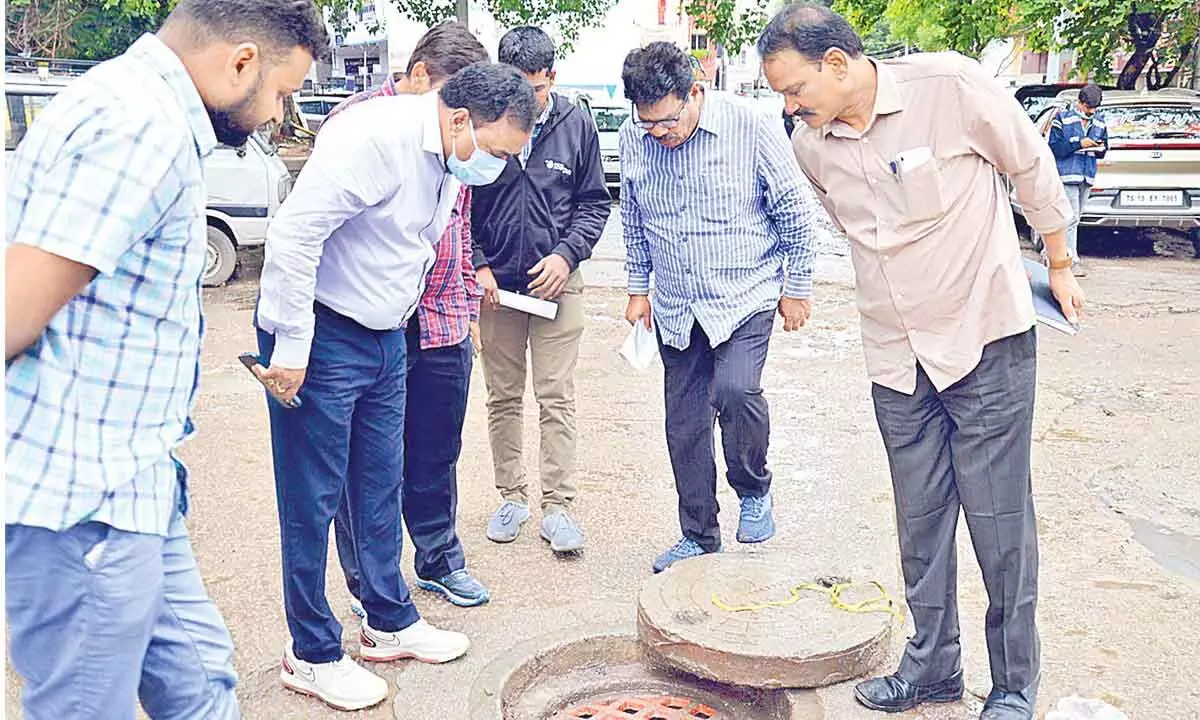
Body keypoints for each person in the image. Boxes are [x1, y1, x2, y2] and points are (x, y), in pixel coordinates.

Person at [757, 5, 1086, 719]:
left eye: (793, 90)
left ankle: (1012, 685)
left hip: (984, 340)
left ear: (837, 63)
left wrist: (1058, 260)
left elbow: (1030, 168)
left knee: (1000, 525)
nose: (789, 106)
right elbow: (846, 225)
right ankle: (932, 667)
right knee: (921, 522)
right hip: (896, 359)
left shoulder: (951, 87)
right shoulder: (811, 145)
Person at [5, 1, 323, 718]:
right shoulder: (138, 127)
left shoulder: (144, 111)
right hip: (84, 501)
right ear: (241, 60)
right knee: (87, 706)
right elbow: (12, 311)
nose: (279, 114)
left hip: (138, 484)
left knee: (201, 683)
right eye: (281, 92)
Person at [254, 62, 537, 711]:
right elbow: (295, 237)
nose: (494, 167)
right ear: (461, 118)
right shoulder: (374, 139)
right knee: (313, 498)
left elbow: (410, 246)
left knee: (381, 482)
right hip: (322, 333)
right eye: (494, 151)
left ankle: (387, 621)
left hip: (385, 333)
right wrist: (293, 349)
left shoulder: (448, 155)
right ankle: (312, 652)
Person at [618, 41, 824, 574]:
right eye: (648, 126)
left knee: (736, 389)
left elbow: (796, 215)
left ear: (695, 92)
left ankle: (753, 488)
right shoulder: (635, 138)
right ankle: (698, 533)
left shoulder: (750, 127)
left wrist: (796, 288)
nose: (659, 134)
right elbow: (635, 221)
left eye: (666, 121)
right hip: (677, 303)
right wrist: (639, 288)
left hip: (744, 294)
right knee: (683, 425)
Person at [323, 22, 493, 613]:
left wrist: (469, 292)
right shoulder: (357, 122)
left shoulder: (460, 126)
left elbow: (460, 220)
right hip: (370, 323)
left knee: (435, 449)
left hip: (443, 313)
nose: (460, 117)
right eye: (451, 96)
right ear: (419, 75)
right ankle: (369, 580)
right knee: (366, 464)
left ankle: (439, 558)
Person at [473, 26, 610, 554]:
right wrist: (480, 264)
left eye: (533, 89)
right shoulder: (483, 121)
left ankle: (558, 509)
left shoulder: (577, 124)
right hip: (496, 292)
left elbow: (595, 203)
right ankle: (511, 498)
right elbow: (461, 205)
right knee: (502, 397)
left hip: (558, 286)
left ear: (552, 77)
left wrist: (566, 255)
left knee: (556, 397)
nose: (524, 101)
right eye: (513, 87)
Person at [1048, 83, 1107, 277]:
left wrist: (1099, 147)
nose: (1091, 112)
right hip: (1067, 174)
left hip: (1086, 174)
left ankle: (1052, 252)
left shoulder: (1099, 121)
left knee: (1075, 218)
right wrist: (1079, 143)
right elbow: (1055, 148)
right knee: (1071, 218)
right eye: (1088, 107)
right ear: (1079, 103)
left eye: (1094, 108)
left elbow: (1104, 148)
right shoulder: (1063, 119)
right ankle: (1071, 261)